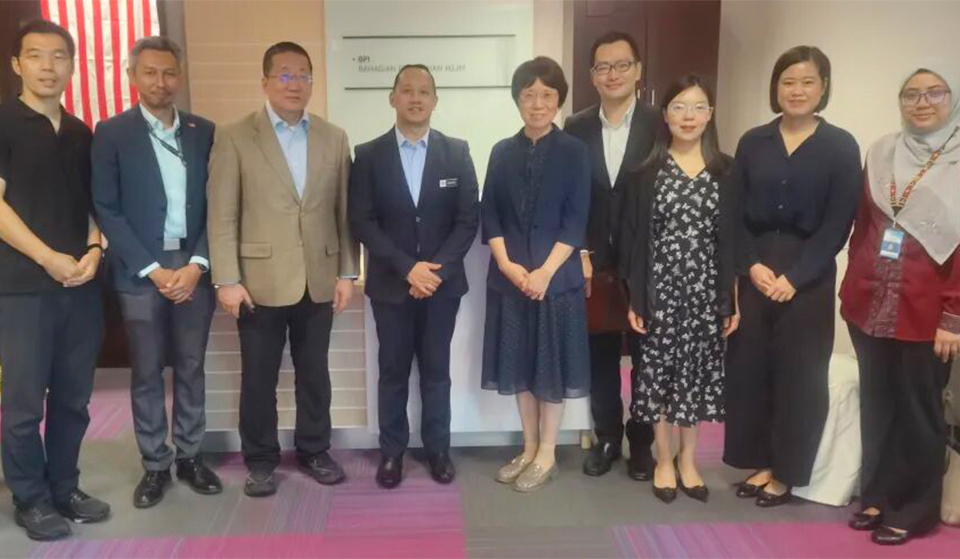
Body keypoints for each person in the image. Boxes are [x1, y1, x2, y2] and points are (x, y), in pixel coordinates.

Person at [207, 41, 360, 498]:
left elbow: (343, 212)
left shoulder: (334, 137)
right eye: (285, 75)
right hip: (258, 283)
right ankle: (260, 460)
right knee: (259, 377)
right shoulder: (235, 136)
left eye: (303, 76)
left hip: (319, 277)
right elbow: (222, 214)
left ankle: (315, 450)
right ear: (266, 82)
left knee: (315, 373)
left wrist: (347, 273)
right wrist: (227, 279)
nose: (295, 84)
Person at [723, 46, 862, 507]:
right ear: (775, 88)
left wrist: (797, 277)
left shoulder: (840, 146)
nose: (797, 90)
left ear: (823, 88)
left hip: (810, 272)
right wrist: (751, 264)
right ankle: (761, 461)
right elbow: (734, 211)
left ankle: (787, 472)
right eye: (788, 82)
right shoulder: (753, 141)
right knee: (751, 370)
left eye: (807, 82)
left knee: (799, 378)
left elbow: (839, 222)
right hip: (757, 267)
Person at [91, 36, 221, 509]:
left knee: (191, 366)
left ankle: (190, 456)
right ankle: (155, 464)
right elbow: (106, 207)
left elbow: (219, 205)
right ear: (132, 76)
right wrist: (151, 269)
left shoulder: (203, 131)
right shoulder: (111, 133)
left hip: (193, 269)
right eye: (149, 72)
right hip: (138, 272)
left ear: (179, 76)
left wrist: (198, 263)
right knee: (146, 371)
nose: (160, 82)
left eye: (168, 72)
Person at [839, 62, 960, 545]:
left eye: (934, 93)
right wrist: (852, 279)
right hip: (870, 301)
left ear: (952, 99)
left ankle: (914, 509)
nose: (922, 102)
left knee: (919, 411)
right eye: (911, 94)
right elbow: (863, 222)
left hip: (926, 312)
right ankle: (877, 494)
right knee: (878, 406)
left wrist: (954, 315)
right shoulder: (883, 150)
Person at [0, 20, 110, 540]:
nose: (48, 66)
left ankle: (65, 486)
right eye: (36, 56)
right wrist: (48, 258)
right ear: (17, 64)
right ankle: (30, 497)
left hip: (80, 286)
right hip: (22, 287)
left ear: (71, 65)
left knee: (73, 397)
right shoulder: (4, 121)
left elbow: (91, 206)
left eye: (59, 56)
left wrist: (93, 250)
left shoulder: (81, 132)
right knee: (24, 402)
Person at [349, 64, 479, 488]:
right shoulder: (368, 155)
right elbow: (362, 221)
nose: (416, 98)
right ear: (393, 98)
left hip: (442, 286)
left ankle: (438, 449)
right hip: (391, 285)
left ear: (435, 100)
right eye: (407, 90)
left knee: (437, 372)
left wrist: (434, 271)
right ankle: (392, 453)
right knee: (393, 371)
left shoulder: (456, 152)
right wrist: (408, 268)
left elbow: (467, 220)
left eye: (424, 91)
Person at [620, 75, 738, 503]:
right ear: (665, 115)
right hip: (660, 293)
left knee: (696, 376)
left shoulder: (726, 171)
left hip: (706, 294)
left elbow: (731, 242)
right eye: (679, 107)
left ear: (710, 115)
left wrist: (731, 300)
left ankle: (689, 459)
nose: (689, 116)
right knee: (658, 376)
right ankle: (663, 459)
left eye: (698, 107)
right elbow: (634, 241)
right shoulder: (646, 173)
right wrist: (636, 297)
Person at [481, 56, 591, 492]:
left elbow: (576, 220)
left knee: (551, 369)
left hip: (556, 282)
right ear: (517, 100)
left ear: (559, 100)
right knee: (520, 366)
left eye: (547, 95)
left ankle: (547, 452)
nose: (538, 103)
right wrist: (508, 266)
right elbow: (490, 214)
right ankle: (528, 447)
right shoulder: (501, 151)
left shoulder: (574, 152)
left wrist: (544, 272)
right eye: (529, 95)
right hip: (510, 282)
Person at [563, 31, 657, 480]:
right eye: (603, 67)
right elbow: (571, 196)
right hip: (595, 261)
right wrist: (580, 251)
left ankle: (642, 442)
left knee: (645, 357)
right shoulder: (576, 126)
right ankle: (606, 437)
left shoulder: (660, 123)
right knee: (599, 356)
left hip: (649, 261)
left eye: (622, 65)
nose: (613, 74)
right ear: (592, 76)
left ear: (638, 70)